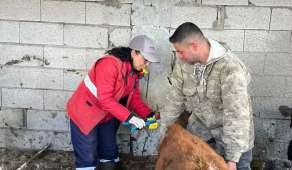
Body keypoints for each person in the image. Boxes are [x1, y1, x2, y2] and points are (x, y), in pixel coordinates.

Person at [161, 22, 254, 170]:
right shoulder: (184, 64)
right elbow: (175, 97)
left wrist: (232, 159)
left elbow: (236, 115)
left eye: (180, 51)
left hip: (232, 140)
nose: (178, 56)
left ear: (194, 46)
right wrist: (165, 131)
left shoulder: (231, 68)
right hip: (202, 135)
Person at [67, 35, 160, 170]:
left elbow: (134, 99)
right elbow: (105, 99)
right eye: (145, 60)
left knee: (109, 154)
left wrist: (149, 114)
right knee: (87, 157)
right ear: (134, 52)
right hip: (85, 114)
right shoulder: (109, 64)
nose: (147, 65)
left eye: (149, 62)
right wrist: (131, 117)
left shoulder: (133, 73)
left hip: (106, 115)